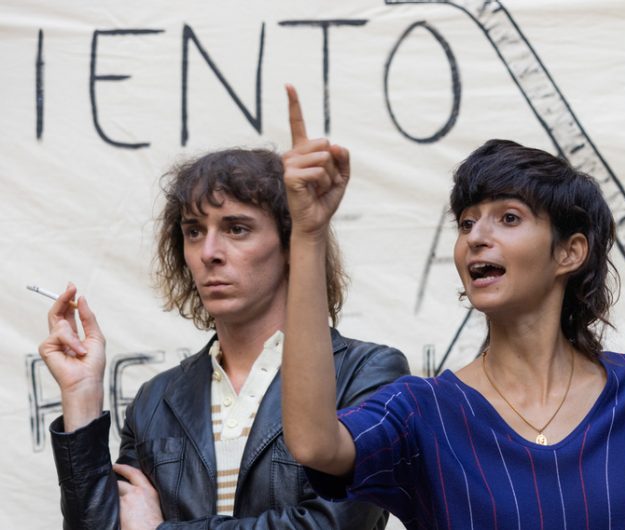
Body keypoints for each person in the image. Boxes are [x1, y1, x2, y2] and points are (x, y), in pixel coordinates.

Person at [278, 85, 625, 529]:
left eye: (509, 218)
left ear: (570, 253)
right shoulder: (425, 410)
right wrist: (309, 235)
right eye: (466, 222)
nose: (476, 236)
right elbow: (315, 444)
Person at [39, 148, 409, 529]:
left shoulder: (366, 373)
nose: (209, 253)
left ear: (290, 243)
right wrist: (81, 396)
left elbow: (334, 525)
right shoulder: (155, 401)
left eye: (236, 228)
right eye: (194, 231)